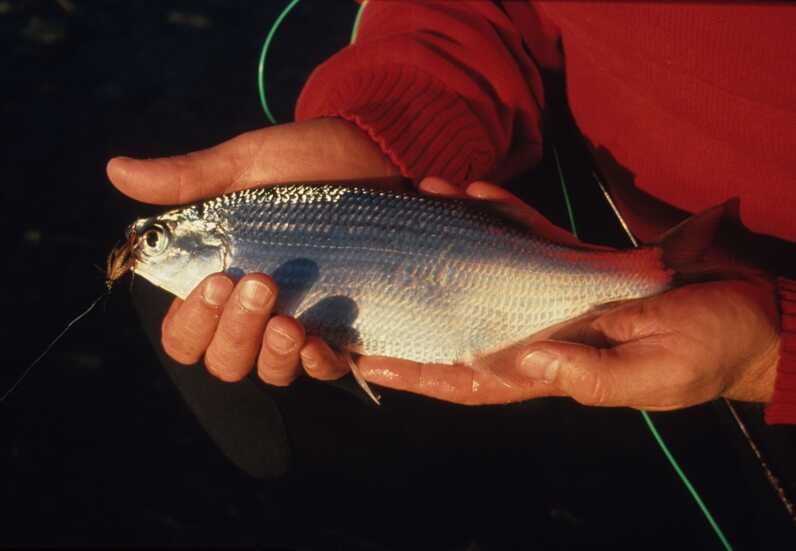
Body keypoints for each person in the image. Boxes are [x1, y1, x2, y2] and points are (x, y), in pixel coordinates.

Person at [107, 2, 795, 428]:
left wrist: (775, 354)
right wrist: (396, 120)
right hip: (623, 237)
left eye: (161, 235)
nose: (148, 249)